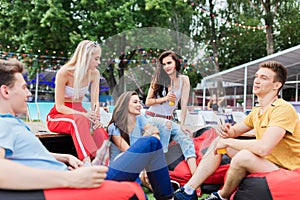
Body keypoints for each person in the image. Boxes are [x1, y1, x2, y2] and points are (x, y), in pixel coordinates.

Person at [0, 58, 175, 200]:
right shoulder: (3, 124)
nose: (29, 93)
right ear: (5, 92)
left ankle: (168, 197)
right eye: (23, 88)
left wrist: (64, 157)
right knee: (145, 158)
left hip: (70, 174)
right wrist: (71, 179)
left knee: (149, 147)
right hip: (69, 182)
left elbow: (22, 156)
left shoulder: (13, 124)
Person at [174, 60, 300, 200]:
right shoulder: (257, 110)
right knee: (219, 140)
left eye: (263, 78)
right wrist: (227, 131)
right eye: (256, 77)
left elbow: (264, 148)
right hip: (267, 162)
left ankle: (222, 196)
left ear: (276, 85)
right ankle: (189, 190)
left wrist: (229, 142)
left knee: (242, 156)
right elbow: (234, 132)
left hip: (286, 169)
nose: (257, 81)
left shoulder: (282, 109)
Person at [46, 40, 106, 163]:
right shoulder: (64, 72)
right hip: (59, 114)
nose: (98, 62)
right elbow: (60, 106)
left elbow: (95, 101)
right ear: (86, 57)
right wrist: (83, 115)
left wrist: (96, 117)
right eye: (96, 59)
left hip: (81, 113)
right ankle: (86, 162)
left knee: (98, 130)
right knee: (79, 120)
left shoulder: (94, 73)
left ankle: (107, 162)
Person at [107, 91, 174, 197]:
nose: (139, 105)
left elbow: (155, 132)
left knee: (153, 144)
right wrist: (147, 141)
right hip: (120, 169)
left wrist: (149, 145)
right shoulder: (114, 128)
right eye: (135, 102)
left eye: (140, 102)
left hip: (136, 168)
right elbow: (130, 153)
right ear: (124, 105)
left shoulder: (140, 119)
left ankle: (165, 192)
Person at [145, 50, 197, 175]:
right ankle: (158, 171)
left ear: (176, 63)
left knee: (186, 138)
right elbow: (148, 102)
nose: (166, 66)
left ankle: (196, 179)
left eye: (169, 63)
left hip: (169, 120)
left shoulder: (184, 79)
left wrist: (182, 124)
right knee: (166, 125)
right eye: (164, 64)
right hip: (152, 118)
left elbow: (184, 104)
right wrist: (165, 98)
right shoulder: (158, 79)